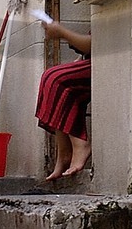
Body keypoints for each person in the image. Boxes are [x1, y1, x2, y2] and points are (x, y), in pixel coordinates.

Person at [36, 19, 92, 179]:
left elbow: (95, 44)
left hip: (110, 61)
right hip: (93, 59)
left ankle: (80, 144)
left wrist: (62, 32)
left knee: (56, 79)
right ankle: (65, 153)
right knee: (50, 76)